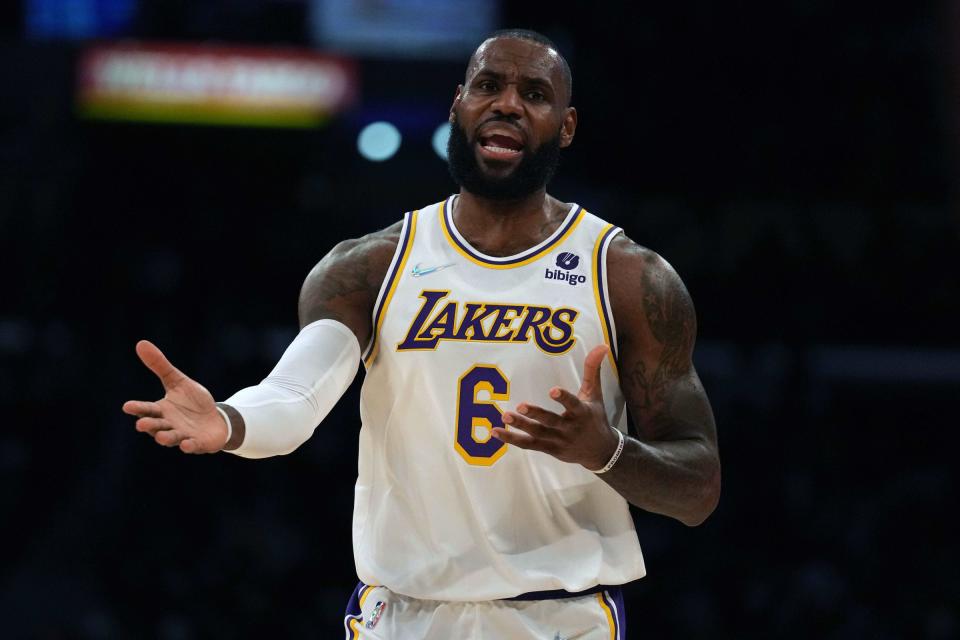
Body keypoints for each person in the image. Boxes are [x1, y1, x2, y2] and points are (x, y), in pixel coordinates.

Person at [123, 29, 721, 639]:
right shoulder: (370, 266)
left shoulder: (626, 276)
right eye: (489, 85)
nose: (508, 104)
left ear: (566, 126)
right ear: (458, 104)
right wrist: (229, 422)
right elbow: (296, 398)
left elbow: (698, 487)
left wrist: (605, 451)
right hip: (403, 616)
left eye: (534, 94)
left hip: (559, 616)